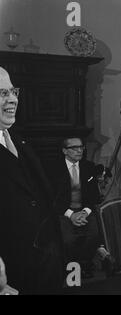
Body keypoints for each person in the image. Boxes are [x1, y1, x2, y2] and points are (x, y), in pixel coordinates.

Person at [0, 66, 62, 294]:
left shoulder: (19, 139)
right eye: (2, 93)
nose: (12, 99)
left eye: (13, 91)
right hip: (9, 275)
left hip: (43, 267)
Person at [52, 137, 101, 278]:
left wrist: (85, 212)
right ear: (64, 151)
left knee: (94, 236)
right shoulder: (54, 169)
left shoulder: (88, 166)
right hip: (64, 212)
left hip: (85, 210)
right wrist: (71, 215)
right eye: (74, 148)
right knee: (68, 240)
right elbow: (52, 198)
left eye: (81, 147)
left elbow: (94, 196)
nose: (79, 150)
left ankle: (85, 265)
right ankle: (71, 269)